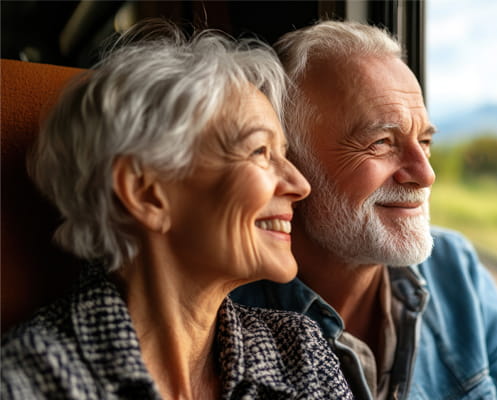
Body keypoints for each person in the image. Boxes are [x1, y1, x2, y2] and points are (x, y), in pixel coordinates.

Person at [1, 20, 353, 400]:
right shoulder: (30, 378)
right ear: (145, 192)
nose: (301, 185)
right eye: (259, 152)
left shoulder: (301, 351)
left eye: (284, 154)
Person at [231, 20, 497, 399]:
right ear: (286, 161)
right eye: (381, 142)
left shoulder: (452, 269)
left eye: (424, 141)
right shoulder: (227, 314)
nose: (426, 174)